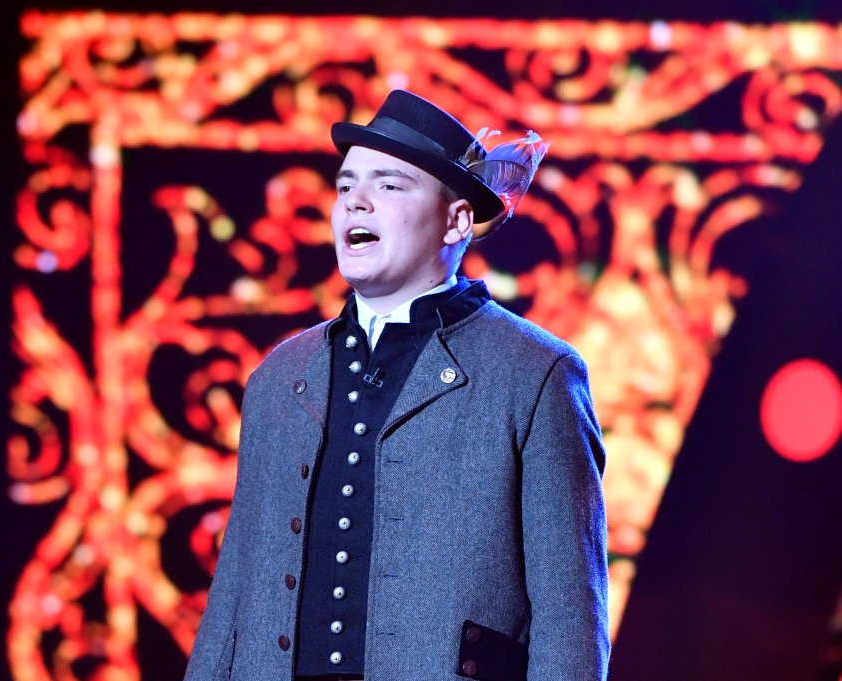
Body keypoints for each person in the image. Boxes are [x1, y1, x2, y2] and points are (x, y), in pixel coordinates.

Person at [184, 90, 609, 681]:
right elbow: (233, 590)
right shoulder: (279, 377)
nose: (355, 201)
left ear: (456, 220)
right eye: (345, 186)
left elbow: (569, 617)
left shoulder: (533, 373)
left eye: (388, 185)